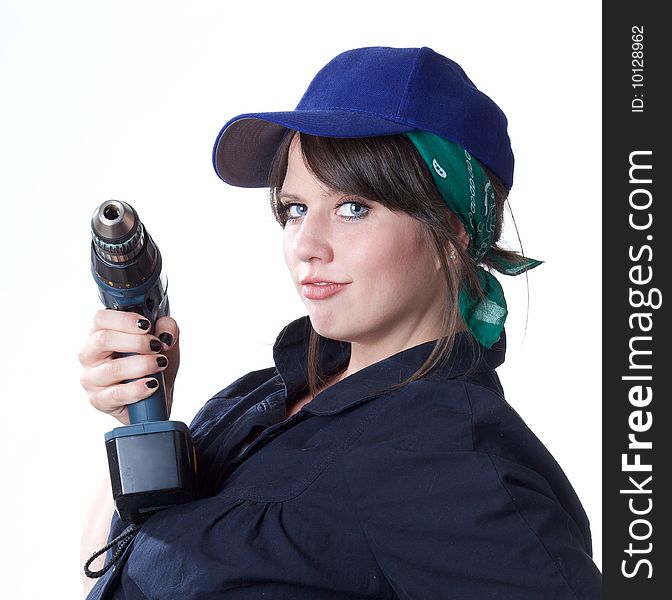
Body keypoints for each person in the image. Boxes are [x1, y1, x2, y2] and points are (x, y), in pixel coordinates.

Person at [80, 46, 602, 599]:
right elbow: (121, 571)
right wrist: (141, 415)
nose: (306, 245)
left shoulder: (447, 456)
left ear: (453, 234)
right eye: (295, 209)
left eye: (353, 207)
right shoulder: (255, 399)